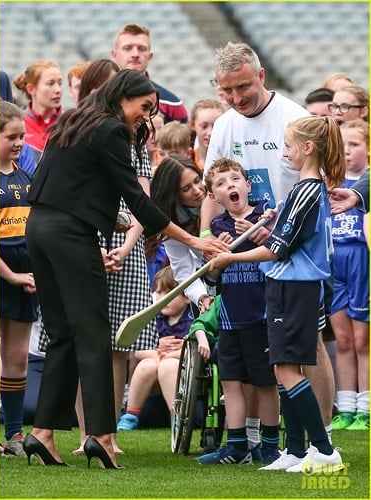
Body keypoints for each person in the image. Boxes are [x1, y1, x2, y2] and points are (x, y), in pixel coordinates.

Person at [23, 69, 226, 469]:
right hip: (69, 236)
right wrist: (193, 240)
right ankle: (101, 436)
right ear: (122, 97)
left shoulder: (73, 121)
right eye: (144, 107)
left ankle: (41, 434)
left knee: (62, 334)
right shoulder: (112, 130)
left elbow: (67, 183)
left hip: (40, 229)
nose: (147, 117)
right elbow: (137, 199)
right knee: (95, 336)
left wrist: (99, 222)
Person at [201, 41, 336, 446]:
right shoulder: (225, 124)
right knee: (270, 350)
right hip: (246, 256)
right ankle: (275, 440)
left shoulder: (294, 118)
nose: (237, 98)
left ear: (261, 76)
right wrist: (208, 238)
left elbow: (318, 188)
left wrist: (277, 232)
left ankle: (322, 435)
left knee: (306, 343)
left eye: (243, 87)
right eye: (227, 90)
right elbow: (211, 190)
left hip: (292, 258)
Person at [209, 115, 345, 473]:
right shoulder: (301, 192)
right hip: (286, 285)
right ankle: (297, 451)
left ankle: (324, 449)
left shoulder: (307, 190)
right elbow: (284, 235)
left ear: (307, 148)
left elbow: (278, 249)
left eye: (287, 146)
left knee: (286, 369)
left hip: (295, 286)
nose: (285, 153)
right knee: (283, 366)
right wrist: (274, 218)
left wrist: (230, 257)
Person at [195, 158, 280, 466]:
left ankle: (270, 446)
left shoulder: (266, 218)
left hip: (261, 317)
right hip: (229, 320)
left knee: (265, 383)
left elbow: (278, 259)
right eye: (220, 183)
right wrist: (217, 258)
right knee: (230, 382)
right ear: (214, 197)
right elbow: (211, 279)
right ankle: (237, 446)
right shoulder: (217, 229)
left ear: (247, 185)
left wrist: (265, 234)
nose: (230, 185)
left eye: (235, 179)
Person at [0, 100, 39, 457]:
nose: (19, 143)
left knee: (17, 357)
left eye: (22, 136)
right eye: (11, 136)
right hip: (3, 274)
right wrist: (10, 275)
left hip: (23, 276)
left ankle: (13, 437)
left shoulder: (28, 179)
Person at [118, 265, 193, 430]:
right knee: (147, 364)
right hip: (152, 383)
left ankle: (178, 417)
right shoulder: (153, 319)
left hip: (184, 378)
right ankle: (130, 415)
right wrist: (157, 352)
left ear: (187, 296)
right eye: (158, 292)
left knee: (168, 366)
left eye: (168, 293)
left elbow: (198, 352)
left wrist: (179, 352)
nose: (161, 298)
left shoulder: (193, 320)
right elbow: (137, 349)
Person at [330, 119, 369, 431]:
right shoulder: (331, 182)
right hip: (334, 264)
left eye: (354, 144)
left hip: (361, 260)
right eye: (342, 145)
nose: (347, 151)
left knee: (362, 339)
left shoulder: (367, 184)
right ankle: (345, 407)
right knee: (342, 339)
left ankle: (365, 407)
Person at [150, 154, 214, 314]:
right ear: (174, 195)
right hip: (209, 286)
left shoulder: (217, 193)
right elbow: (185, 273)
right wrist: (202, 298)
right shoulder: (173, 224)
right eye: (186, 189)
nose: (197, 190)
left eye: (197, 180)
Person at [111, 23, 188, 123]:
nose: (135, 54)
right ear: (114, 54)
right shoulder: (98, 97)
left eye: (142, 49)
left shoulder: (171, 105)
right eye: (127, 48)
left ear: (150, 56)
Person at [13, 60, 63, 164]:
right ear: (31, 89)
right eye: (50, 83)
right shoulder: (16, 123)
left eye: (60, 83)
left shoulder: (72, 123)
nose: (58, 89)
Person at [189, 99, 225, 170]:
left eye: (216, 126)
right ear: (192, 125)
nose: (210, 132)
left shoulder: (232, 157)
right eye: (204, 126)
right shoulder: (186, 160)